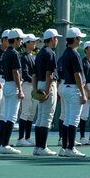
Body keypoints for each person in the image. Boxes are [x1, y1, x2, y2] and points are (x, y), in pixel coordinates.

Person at [59, 26, 89, 157]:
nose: (80, 40)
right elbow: (77, 75)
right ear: (75, 39)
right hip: (73, 88)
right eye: (79, 38)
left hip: (66, 87)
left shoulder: (66, 52)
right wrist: (83, 94)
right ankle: (70, 148)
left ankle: (64, 147)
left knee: (67, 119)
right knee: (74, 120)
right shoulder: (75, 54)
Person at [0, 28, 25, 154]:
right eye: (20, 39)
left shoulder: (7, 52)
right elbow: (16, 72)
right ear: (16, 39)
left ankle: (1, 143)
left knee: (7, 115)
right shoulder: (14, 53)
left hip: (7, 85)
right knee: (11, 116)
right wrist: (20, 89)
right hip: (12, 85)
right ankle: (5, 144)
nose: (21, 41)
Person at [33, 28, 60, 156]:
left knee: (40, 117)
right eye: (56, 38)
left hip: (39, 83)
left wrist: (35, 89)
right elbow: (50, 74)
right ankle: (42, 147)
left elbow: (34, 74)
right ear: (53, 38)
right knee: (47, 117)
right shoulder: (50, 53)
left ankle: (38, 147)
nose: (57, 41)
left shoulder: (40, 53)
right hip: (47, 84)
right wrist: (48, 91)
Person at [16, 34, 38, 146]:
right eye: (32, 41)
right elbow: (25, 74)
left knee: (31, 113)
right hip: (27, 86)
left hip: (33, 87)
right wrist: (36, 83)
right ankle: (20, 138)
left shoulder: (34, 57)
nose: (35, 43)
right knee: (25, 112)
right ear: (27, 43)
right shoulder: (24, 57)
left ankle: (28, 137)